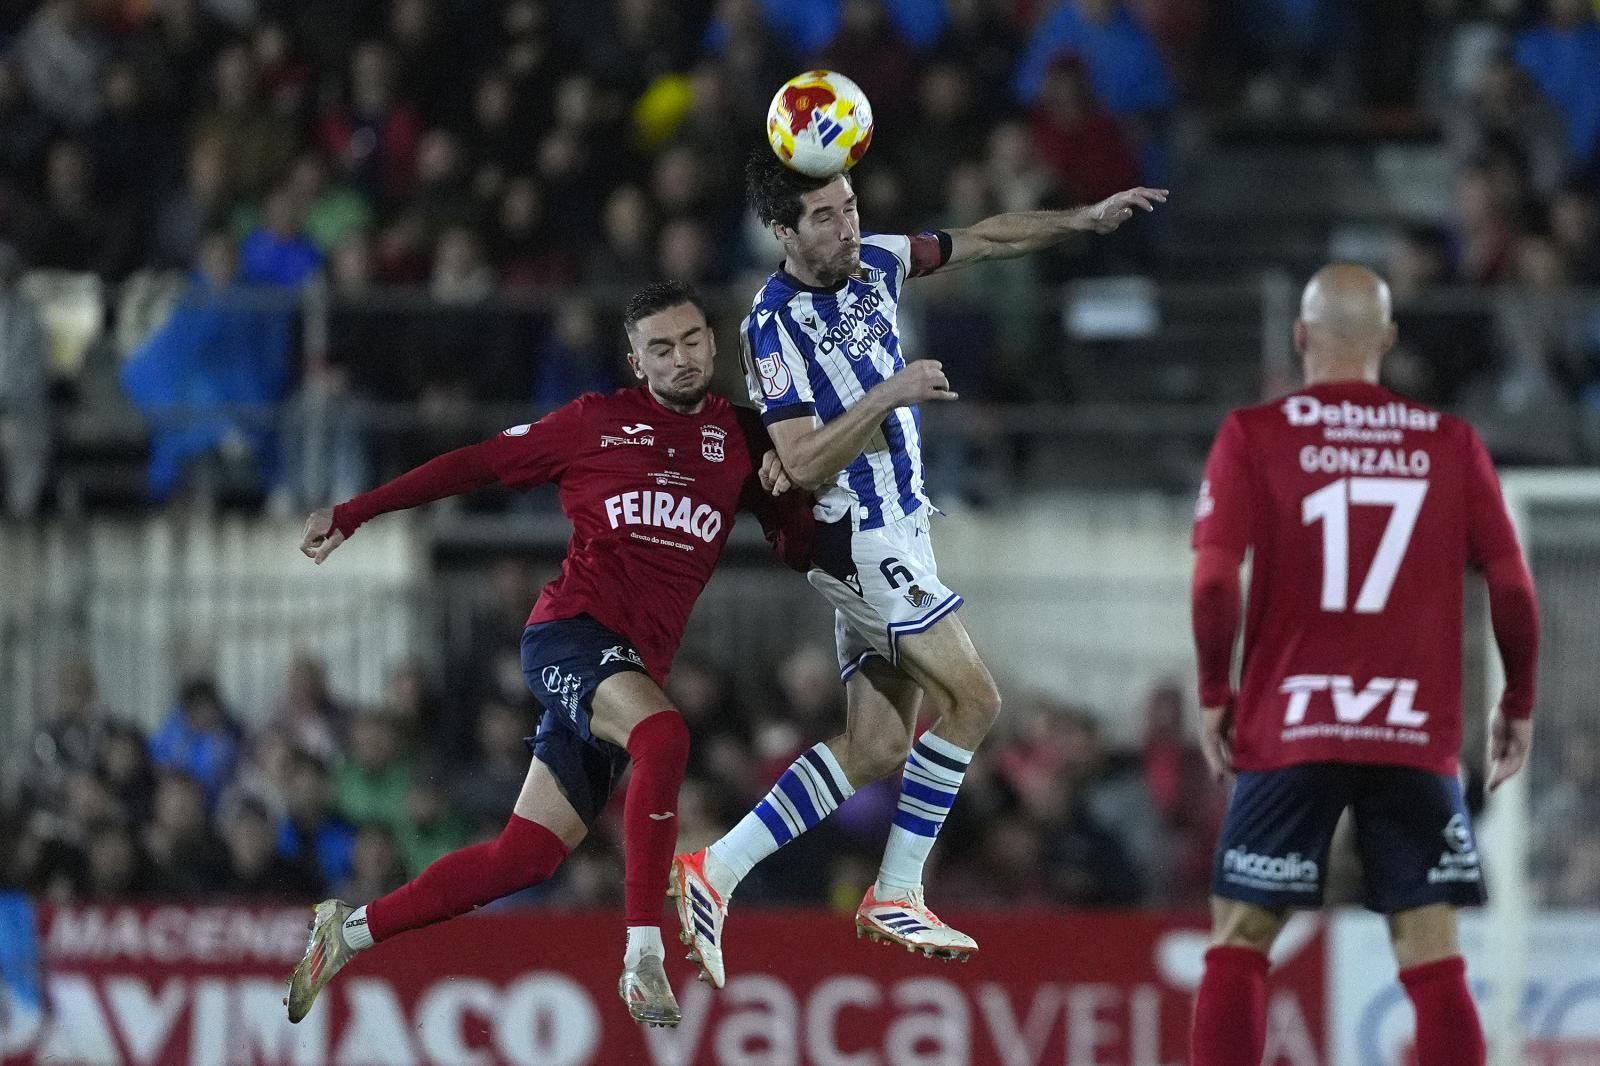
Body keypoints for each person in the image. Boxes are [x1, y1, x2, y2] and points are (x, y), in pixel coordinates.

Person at [672, 149, 1165, 984]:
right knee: (975, 699)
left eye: (850, 206)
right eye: (824, 217)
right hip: (856, 536)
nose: (846, 226)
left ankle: (714, 870)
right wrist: (887, 395)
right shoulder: (772, 325)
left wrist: (1078, 221)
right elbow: (797, 464)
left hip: (901, 531)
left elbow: (978, 239)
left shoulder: (875, 261)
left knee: (876, 746)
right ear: (782, 232)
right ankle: (897, 889)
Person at [283, 281, 813, 1029]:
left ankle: (349, 929)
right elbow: (474, 463)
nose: (681, 357)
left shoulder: (747, 439)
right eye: (661, 347)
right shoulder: (595, 422)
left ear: (712, 342)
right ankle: (642, 955)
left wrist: (791, 492)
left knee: (524, 858)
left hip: (628, 672)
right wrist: (355, 512)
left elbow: (797, 543)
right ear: (637, 361)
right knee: (665, 735)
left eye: (692, 340)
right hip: (569, 633)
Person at [1186, 264, 1541, 1066]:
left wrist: (1216, 690)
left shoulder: (1254, 435)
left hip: (1292, 726)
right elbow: (1513, 583)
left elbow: (1213, 579)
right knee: (1431, 955)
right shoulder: (1450, 443)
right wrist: (1517, 699)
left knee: (1240, 943)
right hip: (1411, 730)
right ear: (1386, 340)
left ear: (1301, 335)